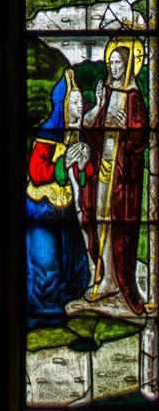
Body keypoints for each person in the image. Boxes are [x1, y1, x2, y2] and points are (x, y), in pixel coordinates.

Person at [81, 38, 148, 315]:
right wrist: (97, 106)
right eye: (111, 63)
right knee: (99, 223)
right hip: (103, 169)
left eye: (119, 63)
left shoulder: (133, 97)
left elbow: (141, 139)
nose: (114, 68)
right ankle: (103, 277)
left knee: (119, 226)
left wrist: (128, 131)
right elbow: (92, 126)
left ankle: (120, 281)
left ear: (129, 65)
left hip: (123, 176)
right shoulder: (106, 93)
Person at [25, 70, 92, 326]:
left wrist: (83, 165)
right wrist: (65, 163)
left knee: (68, 259)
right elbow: (36, 171)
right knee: (45, 261)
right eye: (74, 102)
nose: (80, 107)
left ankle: (61, 301)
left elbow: (81, 175)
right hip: (40, 206)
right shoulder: (47, 134)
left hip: (62, 207)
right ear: (63, 105)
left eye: (80, 103)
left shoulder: (75, 133)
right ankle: (41, 313)